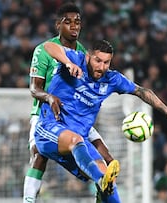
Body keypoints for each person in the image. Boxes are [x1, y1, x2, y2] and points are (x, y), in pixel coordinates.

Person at [36, 40, 167, 201]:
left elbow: (141, 91)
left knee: (107, 175)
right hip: (49, 129)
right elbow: (48, 46)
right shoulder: (77, 60)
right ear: (89, 57)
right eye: (98, 60)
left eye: (106, 62)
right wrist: (68, 63)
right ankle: (101, 180)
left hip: (80, 141)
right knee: (81, 148)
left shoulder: (112, 79)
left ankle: (103, 188)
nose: (102, 67)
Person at [24, 3, 113, 203]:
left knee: (106, 158)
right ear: (58, 25)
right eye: (68, 22)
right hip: (46, 114)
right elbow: (34, 89)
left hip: (75, 116)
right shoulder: (43, 51)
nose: (74, 26)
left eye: (78, 22)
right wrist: (49, 97)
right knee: (38, 153)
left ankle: (101, 193)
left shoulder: (83, 52)